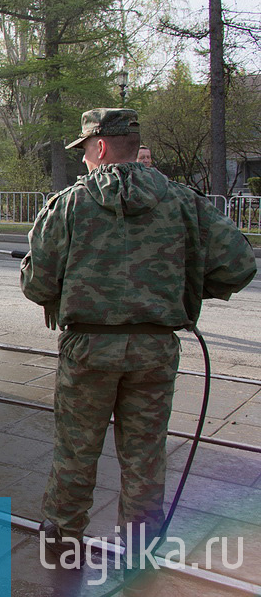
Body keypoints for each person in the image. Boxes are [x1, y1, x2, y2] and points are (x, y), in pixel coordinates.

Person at [20, 108, 256, 562]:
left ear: (101, 147)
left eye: (85, 149)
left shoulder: (69, 204)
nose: (83, 159)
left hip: (88, 349)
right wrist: (184, 286)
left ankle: (62, 537)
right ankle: (141, 545)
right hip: (154, 348)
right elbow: (240, 265)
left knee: (76, 447)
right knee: (146, 452)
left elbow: (38, 286)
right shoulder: (184, 201)